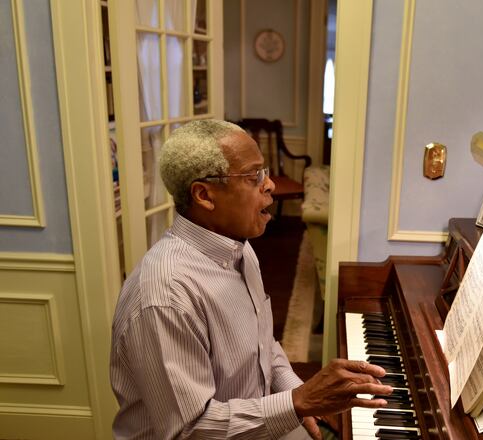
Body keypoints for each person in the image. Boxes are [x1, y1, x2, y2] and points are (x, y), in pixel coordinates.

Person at [110, 120, 392, 440]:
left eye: (265, 171)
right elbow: (189, 431)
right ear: (204, 195)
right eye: (253, 175)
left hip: (251, 421)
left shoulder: (240, 249)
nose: (270, 184)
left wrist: (301, 395)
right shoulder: (165, 296)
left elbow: (263, 346)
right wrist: (298, 402)